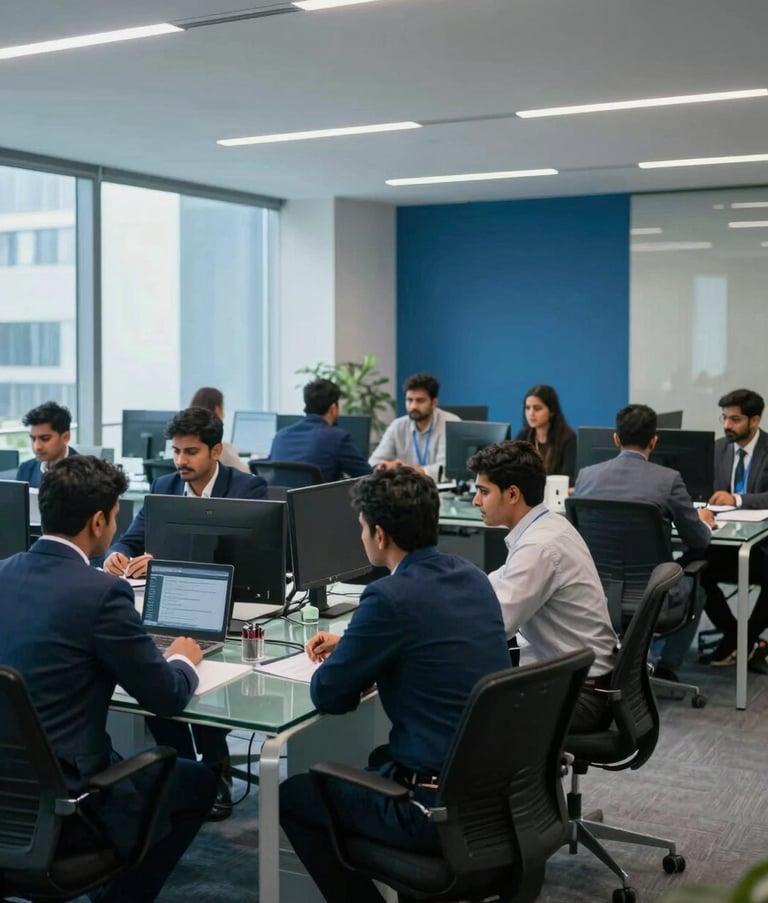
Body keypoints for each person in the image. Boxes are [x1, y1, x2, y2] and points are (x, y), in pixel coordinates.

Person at [279, 468, 511, 903]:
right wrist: (358, 643)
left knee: (294, 796)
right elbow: (429, 635)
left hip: (432, 808)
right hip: (493, 796)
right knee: (379, 757)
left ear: (380, 535)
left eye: (362, 527)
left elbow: (330, 695)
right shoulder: (472, 576)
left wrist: (359, 655)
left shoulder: (387, 597)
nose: (361, 535)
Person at [0, 455, 215, 902]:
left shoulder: (3, 572)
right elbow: (168, 697)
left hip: (11, 794)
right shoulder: (101, 593)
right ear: (98, 521)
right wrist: (183, 658)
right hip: (68, 808)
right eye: (117, 515)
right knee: (197, 780)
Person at [103, 405, 267, 819]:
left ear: (215, 451)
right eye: (176, 451)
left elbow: (256, 558)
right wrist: (118, 556)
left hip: (231, 607)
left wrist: (165, 562)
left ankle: (215, 769)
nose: (180, 462)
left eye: (190, 452)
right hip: (168, 605)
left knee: (203, 680)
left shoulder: (248, 489)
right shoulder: (164, 485)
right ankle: (183, 769)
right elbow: (129, 538)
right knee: (156, 679)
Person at [467, 439, 617, 731]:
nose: (475, 501)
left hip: (580, 696)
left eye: (483, 492)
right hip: (577, 678)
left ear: (512, 494)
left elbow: (495, 625)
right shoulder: (547, 526)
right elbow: (493, 584)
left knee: (464, 711)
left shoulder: (539, 546)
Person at [574, 404, 715, 681]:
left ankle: (630, 661)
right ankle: (668, 666)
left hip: (596, 593)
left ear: (616, 438)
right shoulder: (668, 480)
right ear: (654, 441)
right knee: (697, 588)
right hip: (653, 597)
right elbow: (697, 540)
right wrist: (705, 520)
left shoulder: (586, 477)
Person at [702, 389, 768, 667]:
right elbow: (702, 489)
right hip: (722, 541)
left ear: (755, 421)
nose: (727, 425)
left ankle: (742, 639)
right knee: (693, 570)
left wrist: (738, 499)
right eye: (725, 418)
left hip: (761, 545)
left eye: (735, 419)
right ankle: (740, 638)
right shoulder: (717, 448)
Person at [268, 378, 372, 481]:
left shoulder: (280, 436)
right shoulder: (336, 438)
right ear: (333, 408)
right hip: (320, 498)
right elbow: (367, 476)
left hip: (282, 498)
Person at [368, 373, 460, 481]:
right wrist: (383, 466)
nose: (413, 406)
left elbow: (445, 470)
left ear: (434, 403)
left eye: (420, 401)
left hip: (438, 491)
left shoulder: (450, 424)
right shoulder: (397, 426)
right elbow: (374, 461)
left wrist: (403, 469)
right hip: (403, 491)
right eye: (409, 400)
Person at [515, 384, 577, 486]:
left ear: (552, 411)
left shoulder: (568, 438)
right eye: (527, 408)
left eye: (537, 408)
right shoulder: (523, 436)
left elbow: (568, 480)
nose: (531, 413)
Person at [16, 400, 78, 487]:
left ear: (65, 437)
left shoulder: (86, 472)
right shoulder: (26, 469)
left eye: (45, 439)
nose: (37, 447)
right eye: (33, 439)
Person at [189, 386, 249, 473]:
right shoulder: (220, 448)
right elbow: (247, 476)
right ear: (217, 410)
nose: (224, 415)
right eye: (223, 409)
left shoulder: (180, 448)